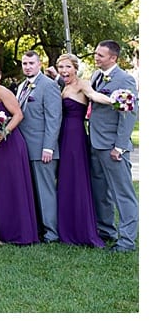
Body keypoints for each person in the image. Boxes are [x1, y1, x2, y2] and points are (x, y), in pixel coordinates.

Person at [88, 40, 139, 252]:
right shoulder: (96, 76)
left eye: (100, 55)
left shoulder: (124, 79)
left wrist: (119, 146)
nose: (96, 57)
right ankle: (106, 231)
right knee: (101, 192)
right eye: (96, 53)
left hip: (112, 147)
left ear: (113, 58)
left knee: (122, 194)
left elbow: (128, 115)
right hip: (95, 143)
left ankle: (126, 240)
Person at [54, 53, 109, 247]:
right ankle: (65, 227)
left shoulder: (82, 84)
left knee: (76, 179)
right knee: (64, 179)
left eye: (67, 67)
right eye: (61, 67)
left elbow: (94, 96)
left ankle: (81, 229)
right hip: (62, 135)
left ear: (75, 68)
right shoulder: (63, 86)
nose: (64, 71)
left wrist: (116, 101)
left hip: (75, 136)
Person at [0, 63, 39, 245]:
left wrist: (5, 132)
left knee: (11, 187)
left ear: (0, 76)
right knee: (0, 187)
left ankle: (17, 232)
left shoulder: (3, 92)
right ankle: (1, 229)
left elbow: (18, 115)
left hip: (10, 145)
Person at [16, 50, 62, 244]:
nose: (27, 66)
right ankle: (37, 227)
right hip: (23, 148)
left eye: (31, 63)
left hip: (42, 148)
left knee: (45, 191)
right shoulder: (21, 86)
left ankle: (51, 233)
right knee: (31, 191)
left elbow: (54, 119)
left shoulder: (49, 86)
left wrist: (49, 148)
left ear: (40, 64)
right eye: (25, 63)